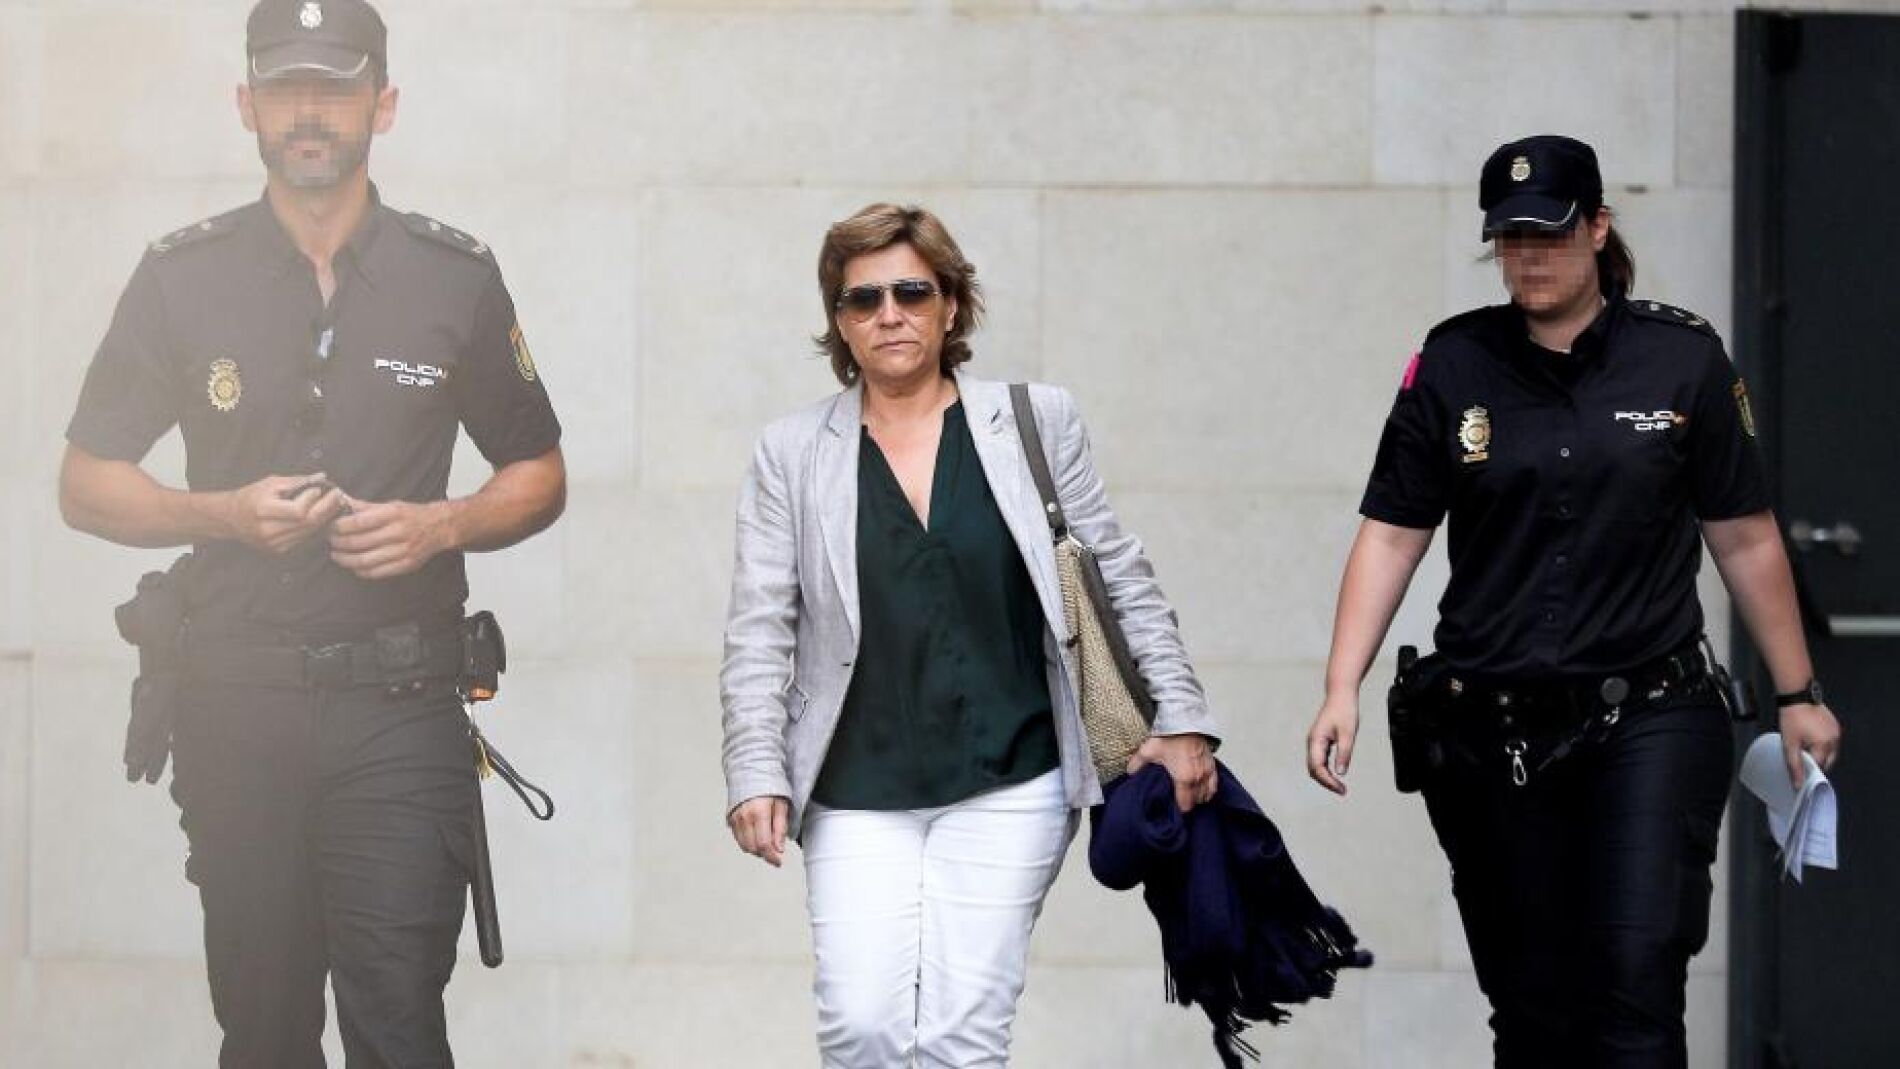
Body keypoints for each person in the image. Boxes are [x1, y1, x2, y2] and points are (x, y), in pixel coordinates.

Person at [58, 1, 565, 1064]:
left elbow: (539, 473)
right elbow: (86, 484)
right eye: (284, 88)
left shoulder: (454, 277)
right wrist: (220, 514)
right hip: (236, 705)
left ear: (383, 104)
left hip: (400, 708)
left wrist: (441, 525)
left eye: (334, 90)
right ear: (246, 104)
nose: (308, 112)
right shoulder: (181, 277)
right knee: (264, 1032)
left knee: (399, 1029)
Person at [1302, 134, 1841, 1068]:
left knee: (1637, 977)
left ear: (1597, 228)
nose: (1530, 258)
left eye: (1549, 234)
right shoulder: (1454, 363)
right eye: (1510, 239)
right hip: (1496, 729)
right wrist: (1341, 684)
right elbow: (1392, 532)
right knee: (1532, 1006)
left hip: (1650, 714)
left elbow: (1745, 535)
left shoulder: (1682, 361)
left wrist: (1799, 693)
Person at [720, 202, 1218, 1067]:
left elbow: (1118, 575)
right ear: (840, 321)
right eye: (863, 298)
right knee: (862, 1024)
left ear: (951, 305)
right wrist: (755, 768)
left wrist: (1180, 716)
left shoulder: (1034, 422)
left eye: (912, 292)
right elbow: (759, 628)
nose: (889, 314)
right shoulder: (792, 452)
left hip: (1012, 773)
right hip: (855, 782)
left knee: (963, 1034)